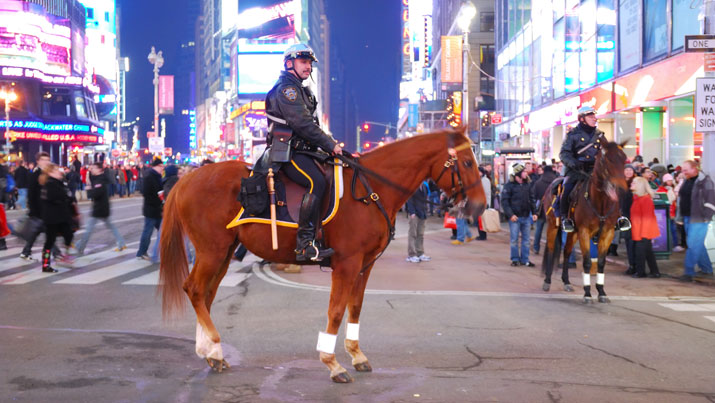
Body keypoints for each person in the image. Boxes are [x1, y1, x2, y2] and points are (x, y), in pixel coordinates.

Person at [262, 43, 340, 262]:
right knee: (317, 182)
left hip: (303, 150)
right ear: (289, 64)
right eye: (303, 62)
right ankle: (305, 244)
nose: (308, 67)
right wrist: (331, 144)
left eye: (309, 63)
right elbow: (303, 124)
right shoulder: (287, 90)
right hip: (288, 152)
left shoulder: (300, 89)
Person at [559, 106, 630, 233]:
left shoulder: (600, 135)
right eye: (590, 116)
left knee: (617, 189)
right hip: (577, 170)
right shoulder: (573, 135)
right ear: (582, 119)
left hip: (596, 170)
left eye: (594, 116)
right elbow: (564, 154)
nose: (594, 118)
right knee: (567, 188)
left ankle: (619, 217)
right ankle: (566, 218)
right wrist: (574, 163)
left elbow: (608, 152)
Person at [75, 163, 126, 255]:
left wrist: (88, 189)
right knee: (111, 227)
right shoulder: (97, 178)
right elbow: (90, 182)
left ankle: (80, 247)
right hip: (101, 208)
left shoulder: (100, 180)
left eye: (93, 168)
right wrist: (88, 179)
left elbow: (94, 194)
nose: (91, 170)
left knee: (89, 230)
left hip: (99, 209)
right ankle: (121, 243)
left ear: (99, 170)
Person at [677, 160, 715, 282]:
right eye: (683, 170)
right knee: (698, 244)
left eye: (686, 170)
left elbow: (711, 200)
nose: (683, 172)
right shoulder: (687, 180)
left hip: (699, 218)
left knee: (693, 245)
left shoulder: (706, 181)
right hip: (688, 217)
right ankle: (707, 269)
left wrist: (706, 217)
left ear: (695, 168)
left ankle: (689, 272)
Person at [39, 164, 75, 272]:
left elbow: (67, 196)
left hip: (62, 216)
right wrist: (66, 197)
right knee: (50, 241)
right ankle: (45, 265)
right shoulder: (49, 184)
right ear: (50, 173)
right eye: (56, 170)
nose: (59, 171)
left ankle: (66, 255)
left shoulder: (60, 182)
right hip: (52, 218)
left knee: (68, 234)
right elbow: (53, 198)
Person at [501, 163, 538, 267]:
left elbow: (532, 199)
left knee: (526, 240)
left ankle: (525, 260)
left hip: (526, 216)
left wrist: (534, 212)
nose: (526, 173)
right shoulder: (509, 186)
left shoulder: (528, 184)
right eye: (524, 172)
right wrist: (511, 215)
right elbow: (504, 202)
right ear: (518, 174)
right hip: (515, 218)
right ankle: (515, 259)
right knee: (514, 240)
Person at [629, 177, 660, 278]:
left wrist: (643, 234)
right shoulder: (638, 198)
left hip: (643, 231)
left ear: (640, 186)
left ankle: (641, 272)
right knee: (647, 252)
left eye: (634, 183)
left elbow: (647, 219)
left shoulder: (645, 200)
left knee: (640, 252)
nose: (631, 184)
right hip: (640, 230)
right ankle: (654, 272)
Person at [136, 158, 164, 261]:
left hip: (156, 209)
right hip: (152, 209)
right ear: (156, 166)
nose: (162, 169)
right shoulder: (150, 177)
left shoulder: (156, 176)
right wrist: (159, 202)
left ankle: (146, 252)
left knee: (163, 231)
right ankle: (142, 252)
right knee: (148, 232)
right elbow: (147, 193)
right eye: (161, 166)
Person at [531, 165, 558, 254]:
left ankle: (536, 248)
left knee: (539, 229)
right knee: (553, 230)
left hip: (542, 210)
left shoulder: (538, 182)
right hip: (554, 210)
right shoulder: (556, 182)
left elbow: (534, 196)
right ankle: (552, 248)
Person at [405, 181, 430, 263]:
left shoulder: (424, 186)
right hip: (414, 214)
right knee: (412, 234)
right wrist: (412, 212)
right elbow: (409, 200)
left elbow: (425, 200)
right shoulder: (413, 185)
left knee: (420, 234)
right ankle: (411, 254)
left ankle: (420, 253)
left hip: (422, 213)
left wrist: (425, 211)